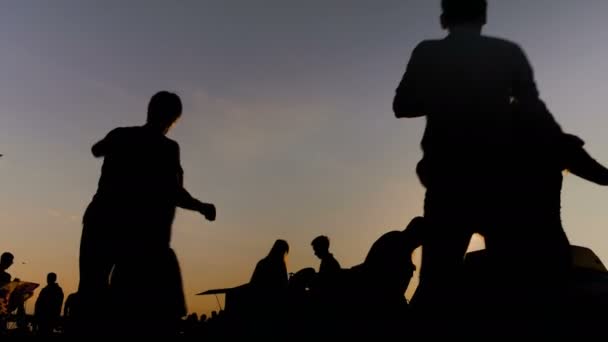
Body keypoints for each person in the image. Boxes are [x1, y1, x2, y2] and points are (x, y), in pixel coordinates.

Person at [392, 0, 563, 315]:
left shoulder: (428, 52)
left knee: (436, 285)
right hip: (499, 181)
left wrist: (443, 95)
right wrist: (558, 138)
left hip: (448, 182)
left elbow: (402, 105)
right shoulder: (507, 52)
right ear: (483, 16)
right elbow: (533, 108)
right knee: (509, 286)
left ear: (445, 17)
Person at [77, 91, 217, 336]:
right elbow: (174, 192)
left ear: (150, 111)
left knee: (92, 290)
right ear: (174, 119)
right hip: (133, 231)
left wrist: (119, 143)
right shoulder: (167, 148)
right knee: (129, 296)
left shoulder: (121, 134)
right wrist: (202, 207)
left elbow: (96, 149)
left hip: (101, 220)